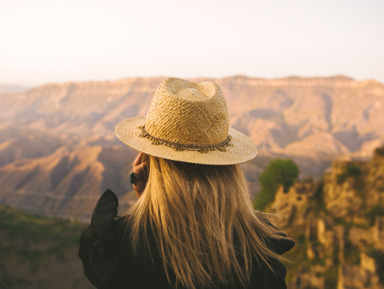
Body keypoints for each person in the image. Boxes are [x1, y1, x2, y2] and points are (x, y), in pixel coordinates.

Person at [79, 77, 295, 289]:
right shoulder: (258, 255)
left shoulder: (118, 250)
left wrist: (149, 198)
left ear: (146, 161)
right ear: (228, 168)